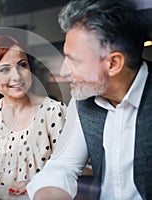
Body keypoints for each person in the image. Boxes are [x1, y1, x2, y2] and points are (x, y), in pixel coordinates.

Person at [26, 0, 152, 199]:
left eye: (74, 60)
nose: (63, 71)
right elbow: (63, 166)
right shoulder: (83, 99)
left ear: (113, 63)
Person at [0, 35, 66, 195]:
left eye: (22, 65)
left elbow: (66, 170)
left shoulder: (53, 111)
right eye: (5, 69)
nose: (17, 76)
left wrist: (38, 183)